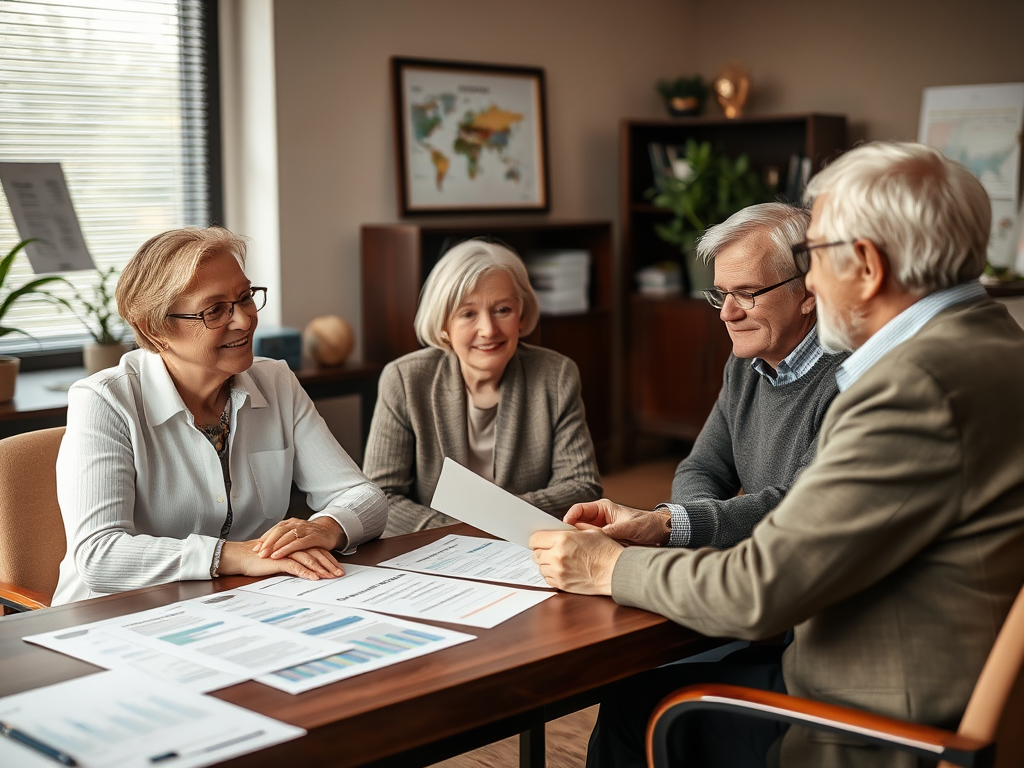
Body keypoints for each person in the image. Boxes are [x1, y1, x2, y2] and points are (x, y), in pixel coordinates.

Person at [531, 142, 1024, 767]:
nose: (812, 281)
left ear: (866, 266)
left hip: (865, 727)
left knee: (640, 705)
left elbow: (757, 589)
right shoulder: (999, 342)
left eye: (814, 257)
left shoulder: (910, 388)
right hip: (949, 686)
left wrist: (607, 569)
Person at [52, 226, 387, 605]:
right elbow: (100, 556)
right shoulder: (105, 400)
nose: (244, 320)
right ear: (155, 328)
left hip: (233, 603)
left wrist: (326, 528)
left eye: (245, 298)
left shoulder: (276, 380)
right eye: (215, 310)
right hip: (113, 617)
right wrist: (235, 556)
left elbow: (365, 496)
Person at [577, 203, 846, 551]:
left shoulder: (851, 379)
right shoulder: (746, 364)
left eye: (747, 293)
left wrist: (671, 524)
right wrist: (696, 536)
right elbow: (703, 468)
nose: (727, 314)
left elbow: (802, 503)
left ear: (808, 293)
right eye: (721, 294)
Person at [363, 238, 602, 536]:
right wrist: (461, 531)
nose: (488, 330)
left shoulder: (555, 375)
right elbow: (380, 497)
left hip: (528, 549)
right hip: (436, 549)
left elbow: (582, 487)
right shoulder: (405, 380)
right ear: (443, 325)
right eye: (468, 314)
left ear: (521, 316)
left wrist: (495, 522)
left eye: (502, 309)